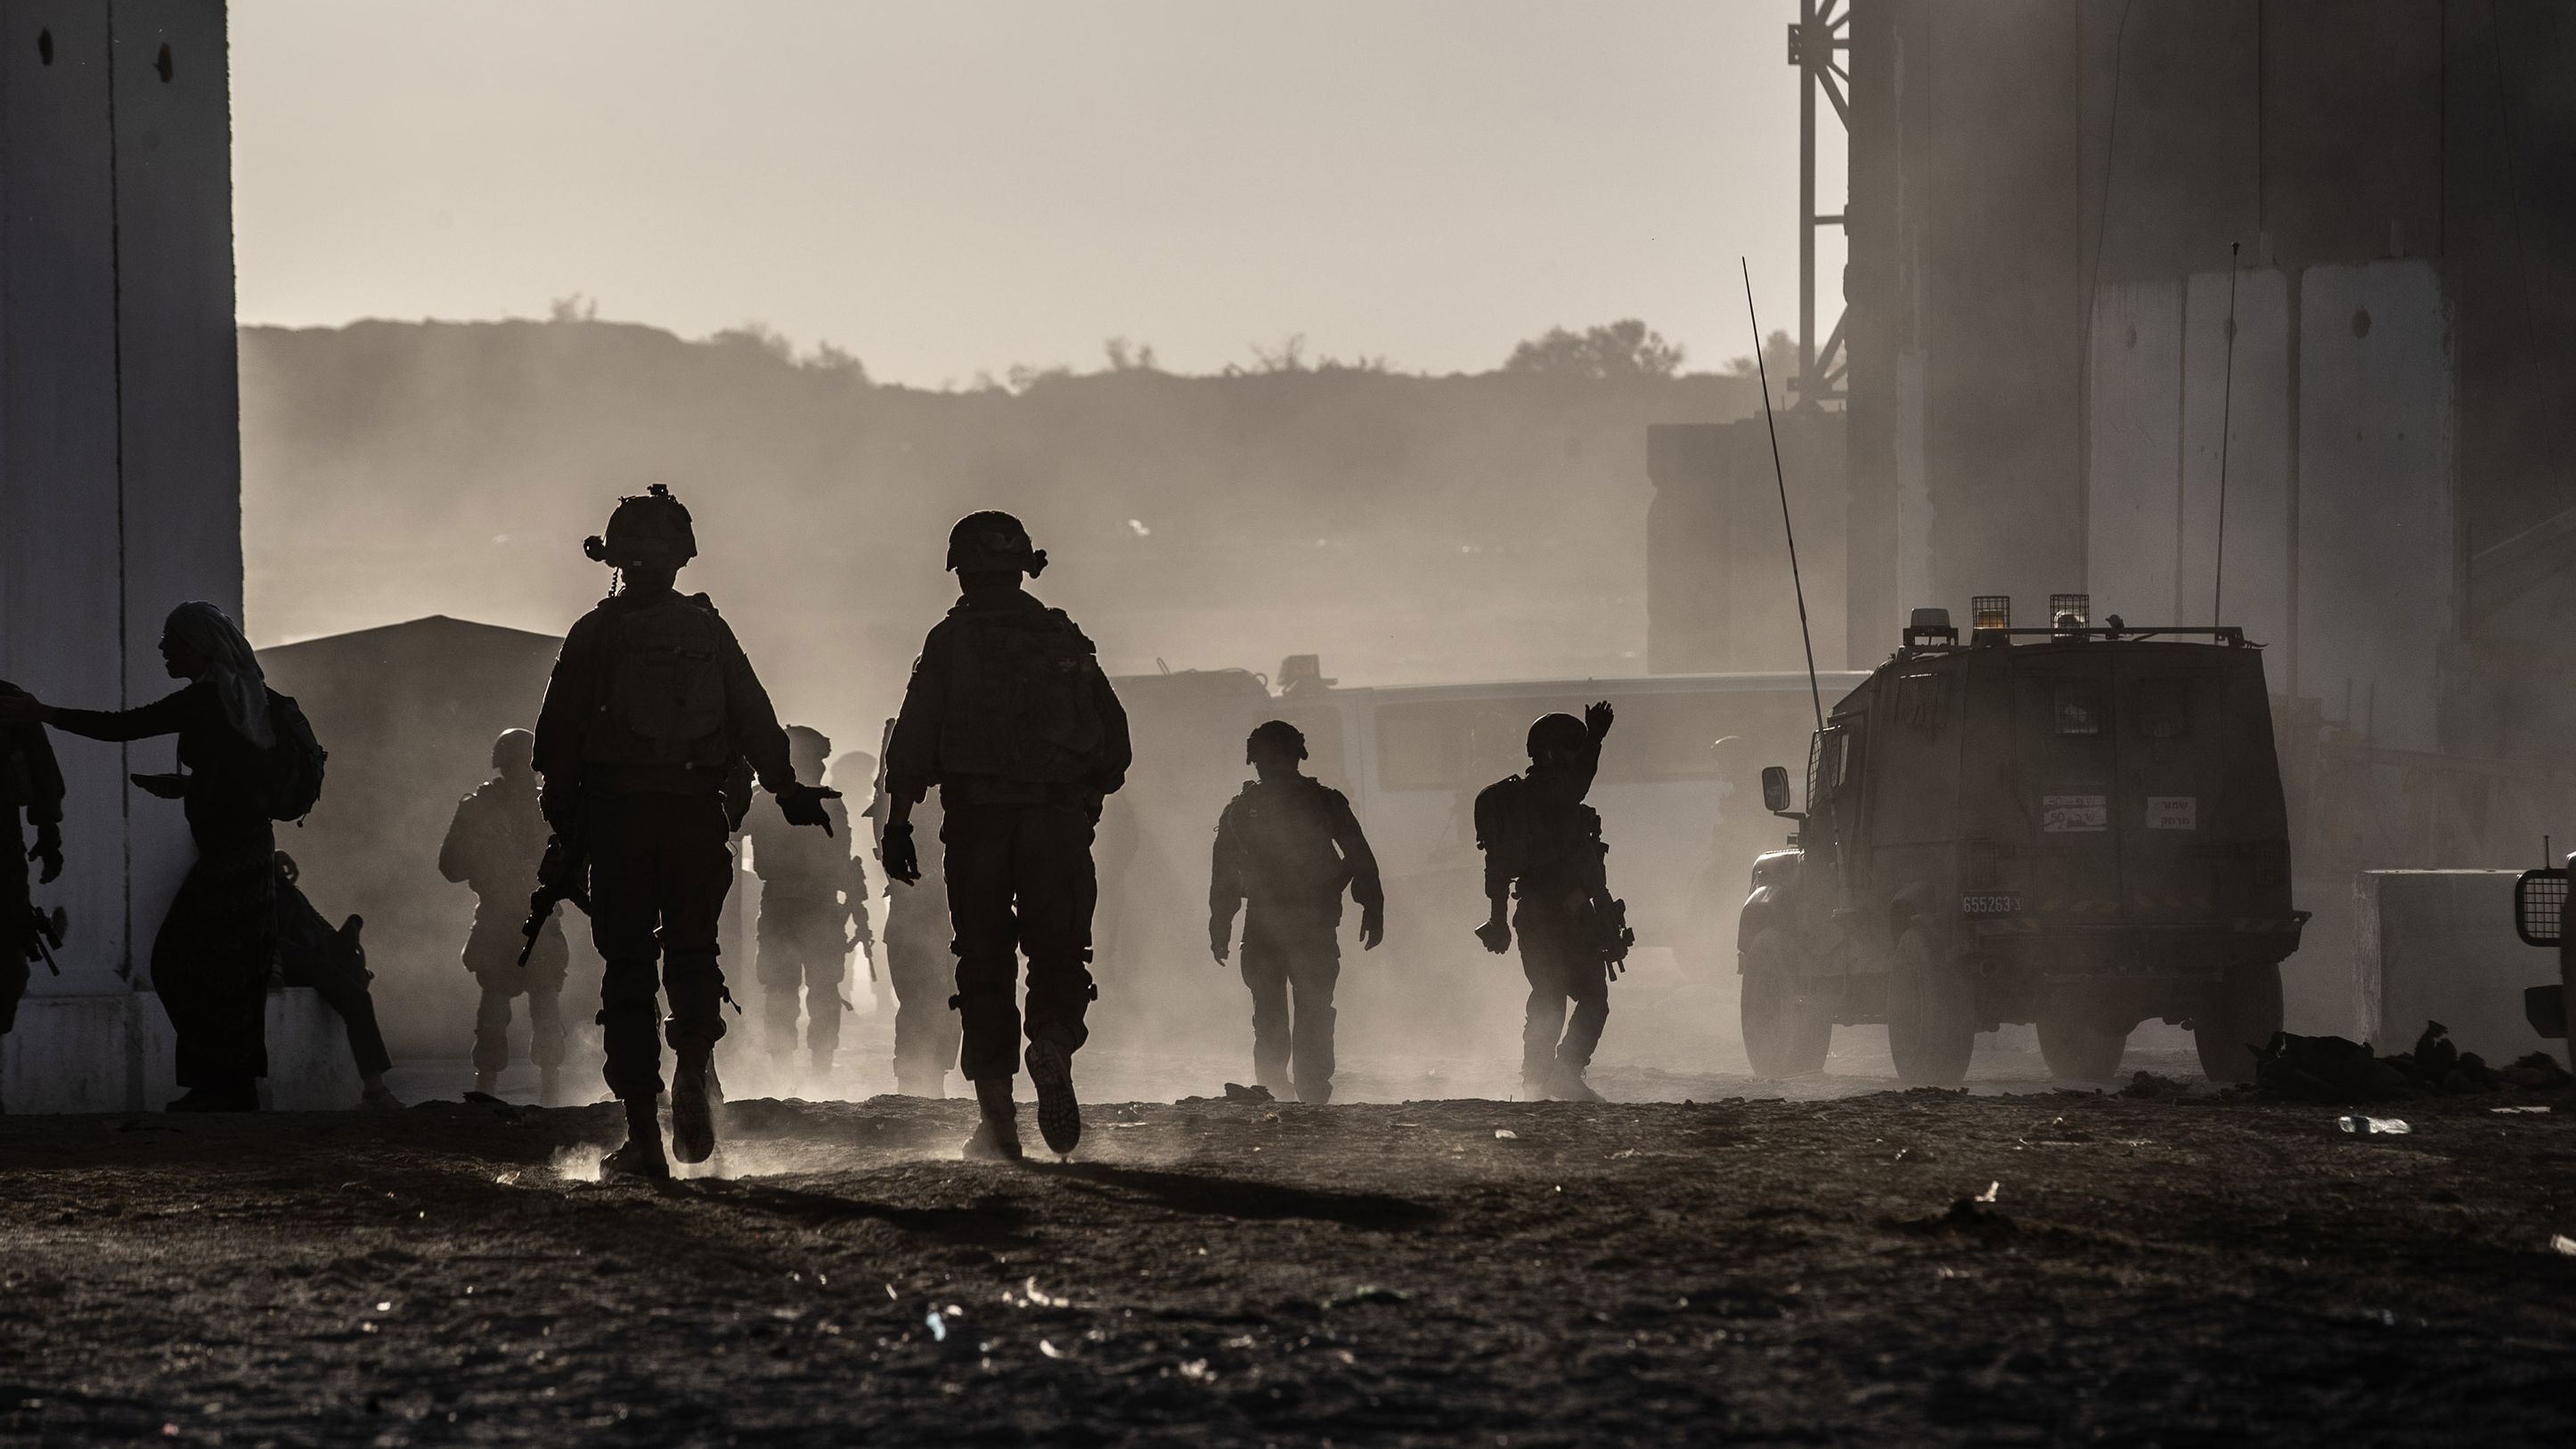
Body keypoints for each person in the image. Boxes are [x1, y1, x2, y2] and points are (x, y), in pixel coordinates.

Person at [532, 484, 837, 1179]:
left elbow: (555, 744)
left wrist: (567, 829)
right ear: (680, 557)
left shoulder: (594, 632)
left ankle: (644, 1136)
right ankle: (695, 1060)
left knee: (629, 971)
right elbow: (758, 720)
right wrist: (788, 792)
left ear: (611, 554)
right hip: (699, 819)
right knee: (695, 953)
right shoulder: (707, 631)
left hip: (618, 822)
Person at [0, 602, 316, 1111]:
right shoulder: (249, 699)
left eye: (174, 640)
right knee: (233, 968)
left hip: (230, 856)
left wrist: (43, 714)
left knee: (178, 962)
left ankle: (219, 1085)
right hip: (250, 850)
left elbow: (123, 726)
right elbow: (241, 778)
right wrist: (193, 788)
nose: (164, 649)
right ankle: (231, 1085)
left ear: (201, 647)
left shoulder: (206, 701)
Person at [882, 510, 1129, 1160]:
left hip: (978, 823)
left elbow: (912, 740)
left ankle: (997, 1124)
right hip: (1056, 823)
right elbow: (1115, 741)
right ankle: (1051, 1039)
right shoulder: (1060, 636)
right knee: (1061, 955)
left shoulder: (950, 639)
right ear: (1025, 567)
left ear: (961, 569)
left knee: (983, 964)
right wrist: (1084, 803)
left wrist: (899, 821)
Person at [1208, 720, 1383, 1104]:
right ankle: (1313, 1094)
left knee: (1269, 1013)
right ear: (1297, 754)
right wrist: (1372, 906)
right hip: (1312, 922)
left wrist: (1220, 923)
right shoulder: (1324, 801)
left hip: (1265, 926)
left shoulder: (1241, 808)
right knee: (1314, 1010)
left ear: (1254, 759)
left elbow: (1225, 874)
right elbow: (1359, 856)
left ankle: (1276, 1091)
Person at [1474, 702, 1622, 1103]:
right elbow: (1499, 868)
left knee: (1586, 998)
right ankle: (1541, 1080)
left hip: (1569, 916)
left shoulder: (1562, 804)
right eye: (1572, 752)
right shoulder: (1545, 795)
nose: (1579, 762)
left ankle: (1555, 1076)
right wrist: (1595, 739)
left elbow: (1586, 863)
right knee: (1553, 997)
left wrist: (1604, 910)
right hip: (1545, 916)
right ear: (1553, 754)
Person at [437, 728, 570, 1103]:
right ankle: (548, 1090)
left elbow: (450, 867)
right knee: (539, 999)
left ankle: (490, 1084)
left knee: (500, 1000)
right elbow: (451, 866)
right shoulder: (551, 806)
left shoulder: (479, 807)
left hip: (503, 917)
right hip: (532, 920)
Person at [743, 724, 868, 1083]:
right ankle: (807, 1074)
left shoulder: (764, 799)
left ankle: (805, 1075)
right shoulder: (780, 799)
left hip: (797, 907)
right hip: (810, 906)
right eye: (819, 759)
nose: (823, 767)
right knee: (802, 991)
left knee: (794, 991)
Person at [272, 851, 403, 1110]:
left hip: (281, 940)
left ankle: (337, 951)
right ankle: (374, 1090)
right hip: (268, 944)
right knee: (354, 995)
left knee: (348, 985)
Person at [868, 729, 959, 1098]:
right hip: (939, 908)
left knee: (927, 999)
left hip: (921, 907)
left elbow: (884, 833)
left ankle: (919, 1082)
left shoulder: (899, 789)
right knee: (940, 997)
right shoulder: (958, 774)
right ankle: (922, 1081)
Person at [0, 680, 65, 1114]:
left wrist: (47, 829)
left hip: (2, 847)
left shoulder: (7, 700)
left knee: (5, 962)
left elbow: (41, 771)